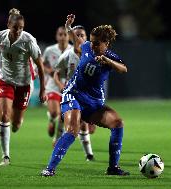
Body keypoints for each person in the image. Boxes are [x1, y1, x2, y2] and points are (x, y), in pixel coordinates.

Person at [41, 14, 129, 176]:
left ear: (106, 44)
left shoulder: (110, 57)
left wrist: (108, 62)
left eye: (97, 43)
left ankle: (113, 168)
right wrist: (68, 27)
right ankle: (49, 169)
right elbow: (76, 39)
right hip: (73, 94)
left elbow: (123, 68)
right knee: (73, 129)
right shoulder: (87, 46)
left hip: (94, 102)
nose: (92, 45)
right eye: (92, 41)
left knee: (118, 123)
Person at [0, 8, 45, 166]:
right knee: (4, 115)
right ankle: (6, 156)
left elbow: (40, 65)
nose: (18, 30)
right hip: (5, 80)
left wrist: (43, 89)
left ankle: (16, 121)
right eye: (15, 27)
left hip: (24, 84)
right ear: (8, 25)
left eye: (21, 27)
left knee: (16, 124)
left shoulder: (28, 41)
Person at [54, 25, 95, 161]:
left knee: (85, 125)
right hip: (71, 93)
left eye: (82, 35)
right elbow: (56, 73)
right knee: (78, 124)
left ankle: (87, 153)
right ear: (72, 37)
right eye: (77, 35)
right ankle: (89, 154)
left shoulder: (92, 54)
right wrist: (60, 85)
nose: (80, 38)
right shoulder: (67, 55)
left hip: (88, 94)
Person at [43, 26, 72, 146]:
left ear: (69, 36)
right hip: (52, 85)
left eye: (65, 35)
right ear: (56, 36)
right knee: (55, 113)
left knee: (63, 114)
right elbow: (43, 63)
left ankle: (57, 138)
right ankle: (51, 119)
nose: (63, 37)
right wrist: (49, 70)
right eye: (60, 34)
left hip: (67, 86)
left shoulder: (73, 50)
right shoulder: (50, 50)